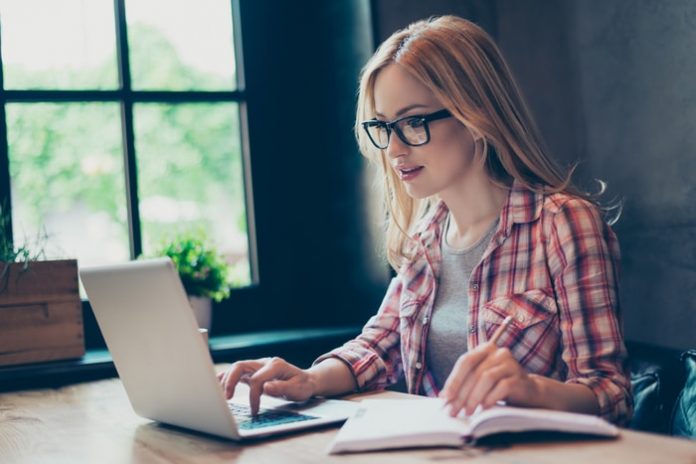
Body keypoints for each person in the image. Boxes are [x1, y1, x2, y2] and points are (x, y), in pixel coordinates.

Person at [218, 15, 632, 425]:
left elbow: (610, 394)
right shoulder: (426, 237)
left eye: (413, 122)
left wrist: (529, 389)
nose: (394, 149)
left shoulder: (564, 225)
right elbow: (379, 347)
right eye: (383, 126)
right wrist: (307, 380)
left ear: (475, 114)